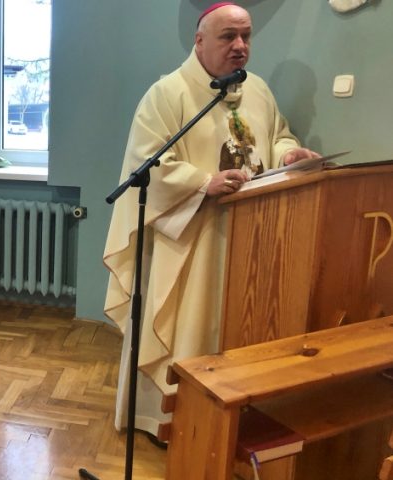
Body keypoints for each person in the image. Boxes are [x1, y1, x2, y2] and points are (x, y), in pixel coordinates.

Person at [103, 2, 320, 438]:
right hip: (194, 240)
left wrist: (287, 153)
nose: (240, 46)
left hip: (251, 236)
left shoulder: (257, 90)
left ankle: (228, 422)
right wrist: (204, 182)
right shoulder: (168, 94)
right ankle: (172, 424)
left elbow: (275, 135)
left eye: (246, 36)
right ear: (199, 41)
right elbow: (150, 164)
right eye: (228, 36)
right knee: (189, 327)